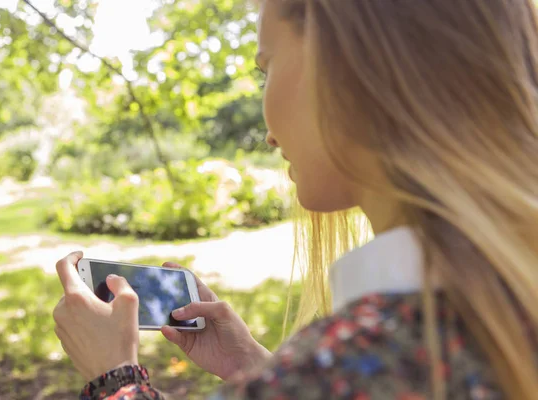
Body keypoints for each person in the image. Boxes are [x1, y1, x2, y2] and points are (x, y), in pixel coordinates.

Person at [52, 0, 538, 399]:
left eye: (267, 66)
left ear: (350, 63)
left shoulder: (368, 351)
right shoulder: (495, 301)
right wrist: (262, 370)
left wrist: (115, 377)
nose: (267, 132)